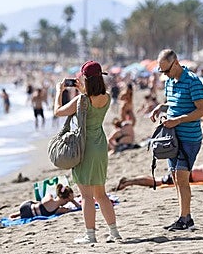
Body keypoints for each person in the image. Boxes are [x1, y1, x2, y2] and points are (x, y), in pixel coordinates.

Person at [54, 60, 122, 244]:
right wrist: (82, 89)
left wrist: (59, 92)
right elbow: (92, 102)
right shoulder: (106, 97)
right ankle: (114, 232)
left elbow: (58, 111)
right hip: (100, 144)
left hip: (85, 146)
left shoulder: (81, 100)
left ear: (85, 79)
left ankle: (90, 235)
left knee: (86, 195)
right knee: (101, 193)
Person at [149, 49, 203, 231]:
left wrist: (178, 120)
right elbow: (174, 104)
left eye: (166, 70)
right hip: (171, 138)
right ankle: (184, 216)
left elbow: (202, 110)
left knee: (182, 176)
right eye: (161, 71)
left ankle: (185, 218)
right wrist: (161, 107)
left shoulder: (192, 81)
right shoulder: (170, 81)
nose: (164, 74)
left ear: (176, 63)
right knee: (175, 176)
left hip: (189, 137)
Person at [10, 184, 81, 219]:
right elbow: (79, 208)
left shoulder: (49, 196)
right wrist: (73, 201)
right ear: (67, 199)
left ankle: (19, 213)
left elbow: (41, 200)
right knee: (38, 209)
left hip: (25, 206)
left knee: (37, 203)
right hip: (28, 215)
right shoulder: (60, 210)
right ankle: (19, 214)